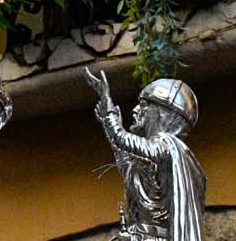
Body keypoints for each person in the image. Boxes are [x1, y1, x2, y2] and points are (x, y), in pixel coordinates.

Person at [85, 68, 206, 241]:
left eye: (143, 105)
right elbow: (127, 168)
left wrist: (109, 109)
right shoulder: (151, 158)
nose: (135, 110)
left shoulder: (167, 147)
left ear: (162, 113)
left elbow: (122, 138)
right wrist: (108, 124)